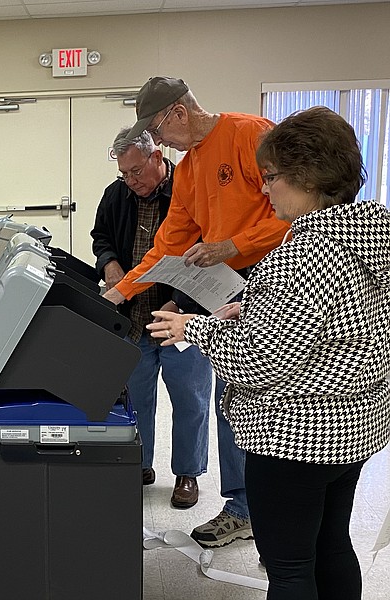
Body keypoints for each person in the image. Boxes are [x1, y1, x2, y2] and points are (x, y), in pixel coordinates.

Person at [147, 106, 390, 600]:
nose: (264, 188)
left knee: (289, 567)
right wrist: (255, 308)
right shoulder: (370, 232)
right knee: (331, 545)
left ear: (306, 176)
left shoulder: (307, 251)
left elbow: (262, 361)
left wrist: (195, 326)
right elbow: (329, 321)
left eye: (272, 176)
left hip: (297, 435)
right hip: (355, 426)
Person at [103, 76, 290, 547]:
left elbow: (292, 212)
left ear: (178, 113)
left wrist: (231, 244)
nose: (159, 141)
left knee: (257, 407)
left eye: (159, 130)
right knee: (232, 401)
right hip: (224, 297)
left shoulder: (250, 134)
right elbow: (166, 247)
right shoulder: (187, 172)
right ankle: (245, 507)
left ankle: (258, 509)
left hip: (273, 287)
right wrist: (119, 293)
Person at [91, 126, 211, 509]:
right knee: (135, 400)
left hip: (183, 316)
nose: (131, 181)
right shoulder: (116, 195)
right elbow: (101, 236)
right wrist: (108, 263)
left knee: (190, 400)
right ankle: (138, 464)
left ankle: (187, 474)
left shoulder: (190, 191)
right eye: (124, 173)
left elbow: (206, 255)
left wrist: (179, 300)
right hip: (135, 318)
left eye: (137, 172)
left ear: (157, 157)